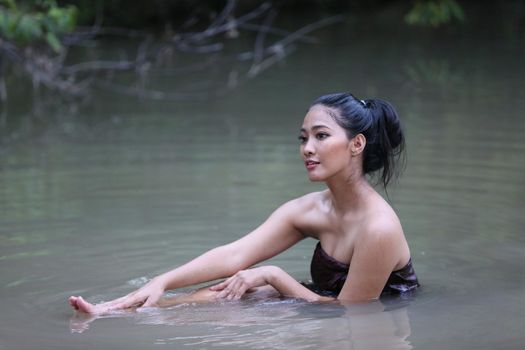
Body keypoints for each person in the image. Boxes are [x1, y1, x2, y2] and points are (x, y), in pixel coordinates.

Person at [69, 92, 419, 314]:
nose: (307, 148)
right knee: (246, 285)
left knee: (265, 284)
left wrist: (274, 275)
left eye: (321, 136)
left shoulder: (379, 228)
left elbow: (353, 314)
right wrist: (162, 281)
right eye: (303, 138)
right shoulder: (310, 209)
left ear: (356, 145)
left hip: (367, 318)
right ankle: (129, 310)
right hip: (321, 302)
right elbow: (236, 254)